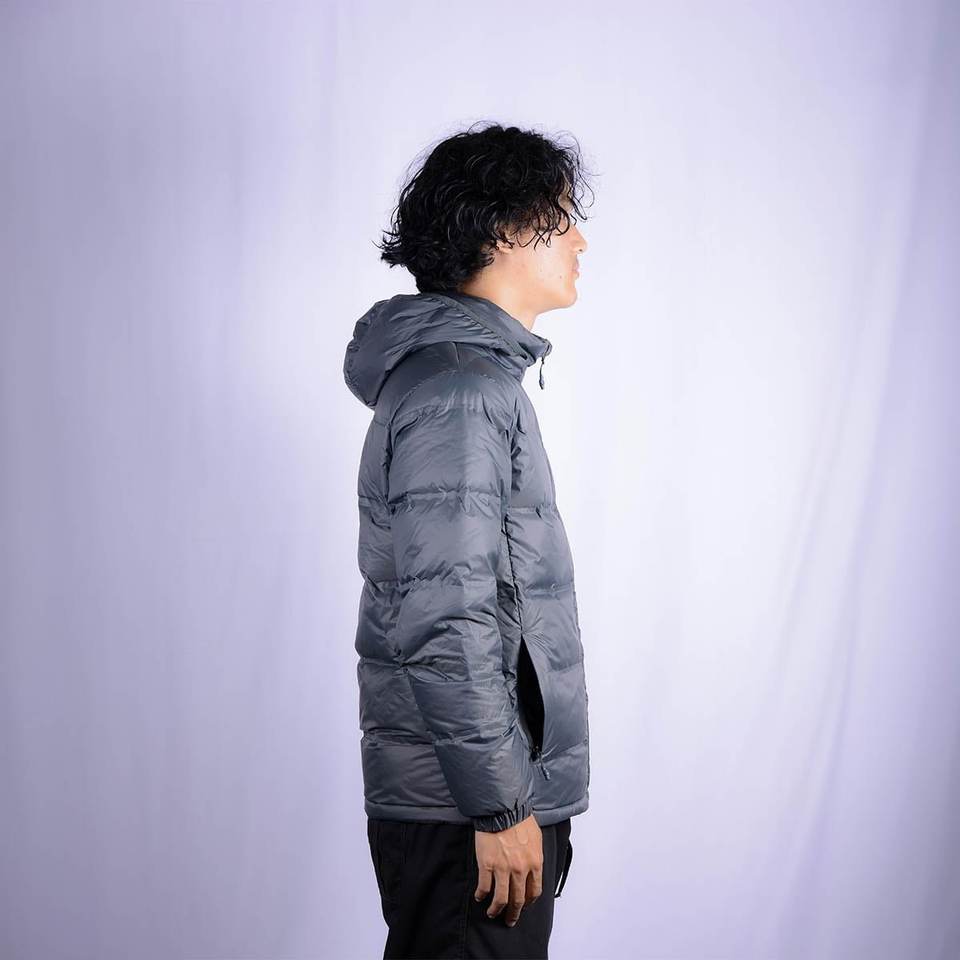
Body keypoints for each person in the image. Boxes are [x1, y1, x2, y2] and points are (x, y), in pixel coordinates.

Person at [343, 121, 594, 960]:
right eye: (562, 219)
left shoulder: (472, 378)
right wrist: (499, 806)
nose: (580, 241)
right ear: (503, 230)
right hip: (468, 810)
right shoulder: (459, 388)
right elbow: (446, 617)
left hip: (475, 796)